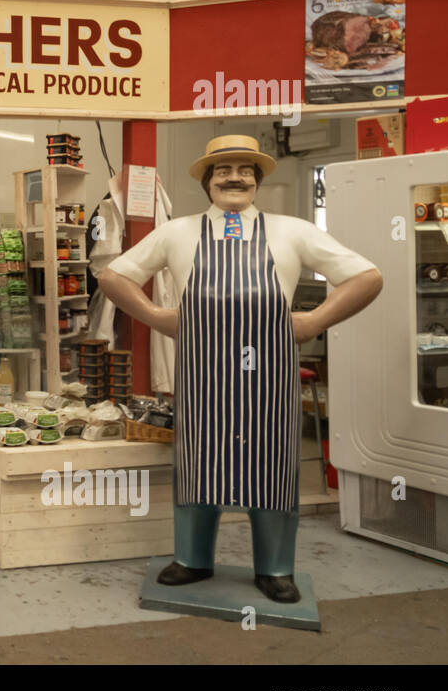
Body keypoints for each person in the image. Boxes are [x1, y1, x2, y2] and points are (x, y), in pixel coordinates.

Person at [96, 135, 382, 603]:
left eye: (245, 169)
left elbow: (367, 276)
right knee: (198, 466)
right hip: (203, 379)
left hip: (269, 382)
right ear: (207, 181)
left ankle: (275, 568)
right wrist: (155, 317)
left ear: (258, 180)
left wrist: (313, 321)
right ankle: (192, 560)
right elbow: (113, 275)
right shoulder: (177, 232)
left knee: (270, 467)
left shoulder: (294, 230)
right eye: (223, 169)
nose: (235, 177)